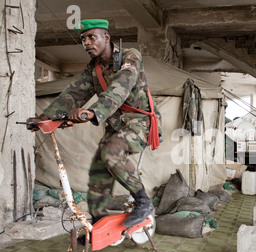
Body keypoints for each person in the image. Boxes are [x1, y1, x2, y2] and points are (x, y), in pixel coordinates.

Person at [27, 19, 160, 228]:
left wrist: (92, 112)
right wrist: (45, 118)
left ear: (106, 37)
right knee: (98, 171)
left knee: (111, 152)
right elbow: (74, 93)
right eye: (83, 39)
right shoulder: (94, 68)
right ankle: (98, 225)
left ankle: (143, 202)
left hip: (140, 121)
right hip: (116, 125)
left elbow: (120, 87)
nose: (86, 43)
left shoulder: (130, 56)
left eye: (91, 37)